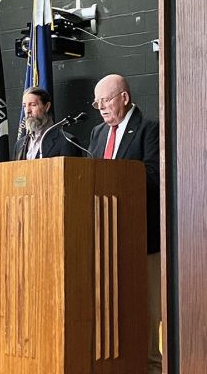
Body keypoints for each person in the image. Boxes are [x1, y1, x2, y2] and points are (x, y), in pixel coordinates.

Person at [89, 74, 161, 374]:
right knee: (110, 308)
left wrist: (115, 180)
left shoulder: (149, 128)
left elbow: (154, 175)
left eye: (105, 100)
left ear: (124, 98)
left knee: (146, 309)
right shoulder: (96, 133)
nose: (101, 107)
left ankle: (152, 366)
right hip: (104, 236)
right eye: (97, 102)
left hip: (142, 236)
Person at [13, 87, 82, 160]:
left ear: (47, 106)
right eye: (24, 106)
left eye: (33, 105)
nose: (27, 110)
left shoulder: (66, 141)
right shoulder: (19, 144)